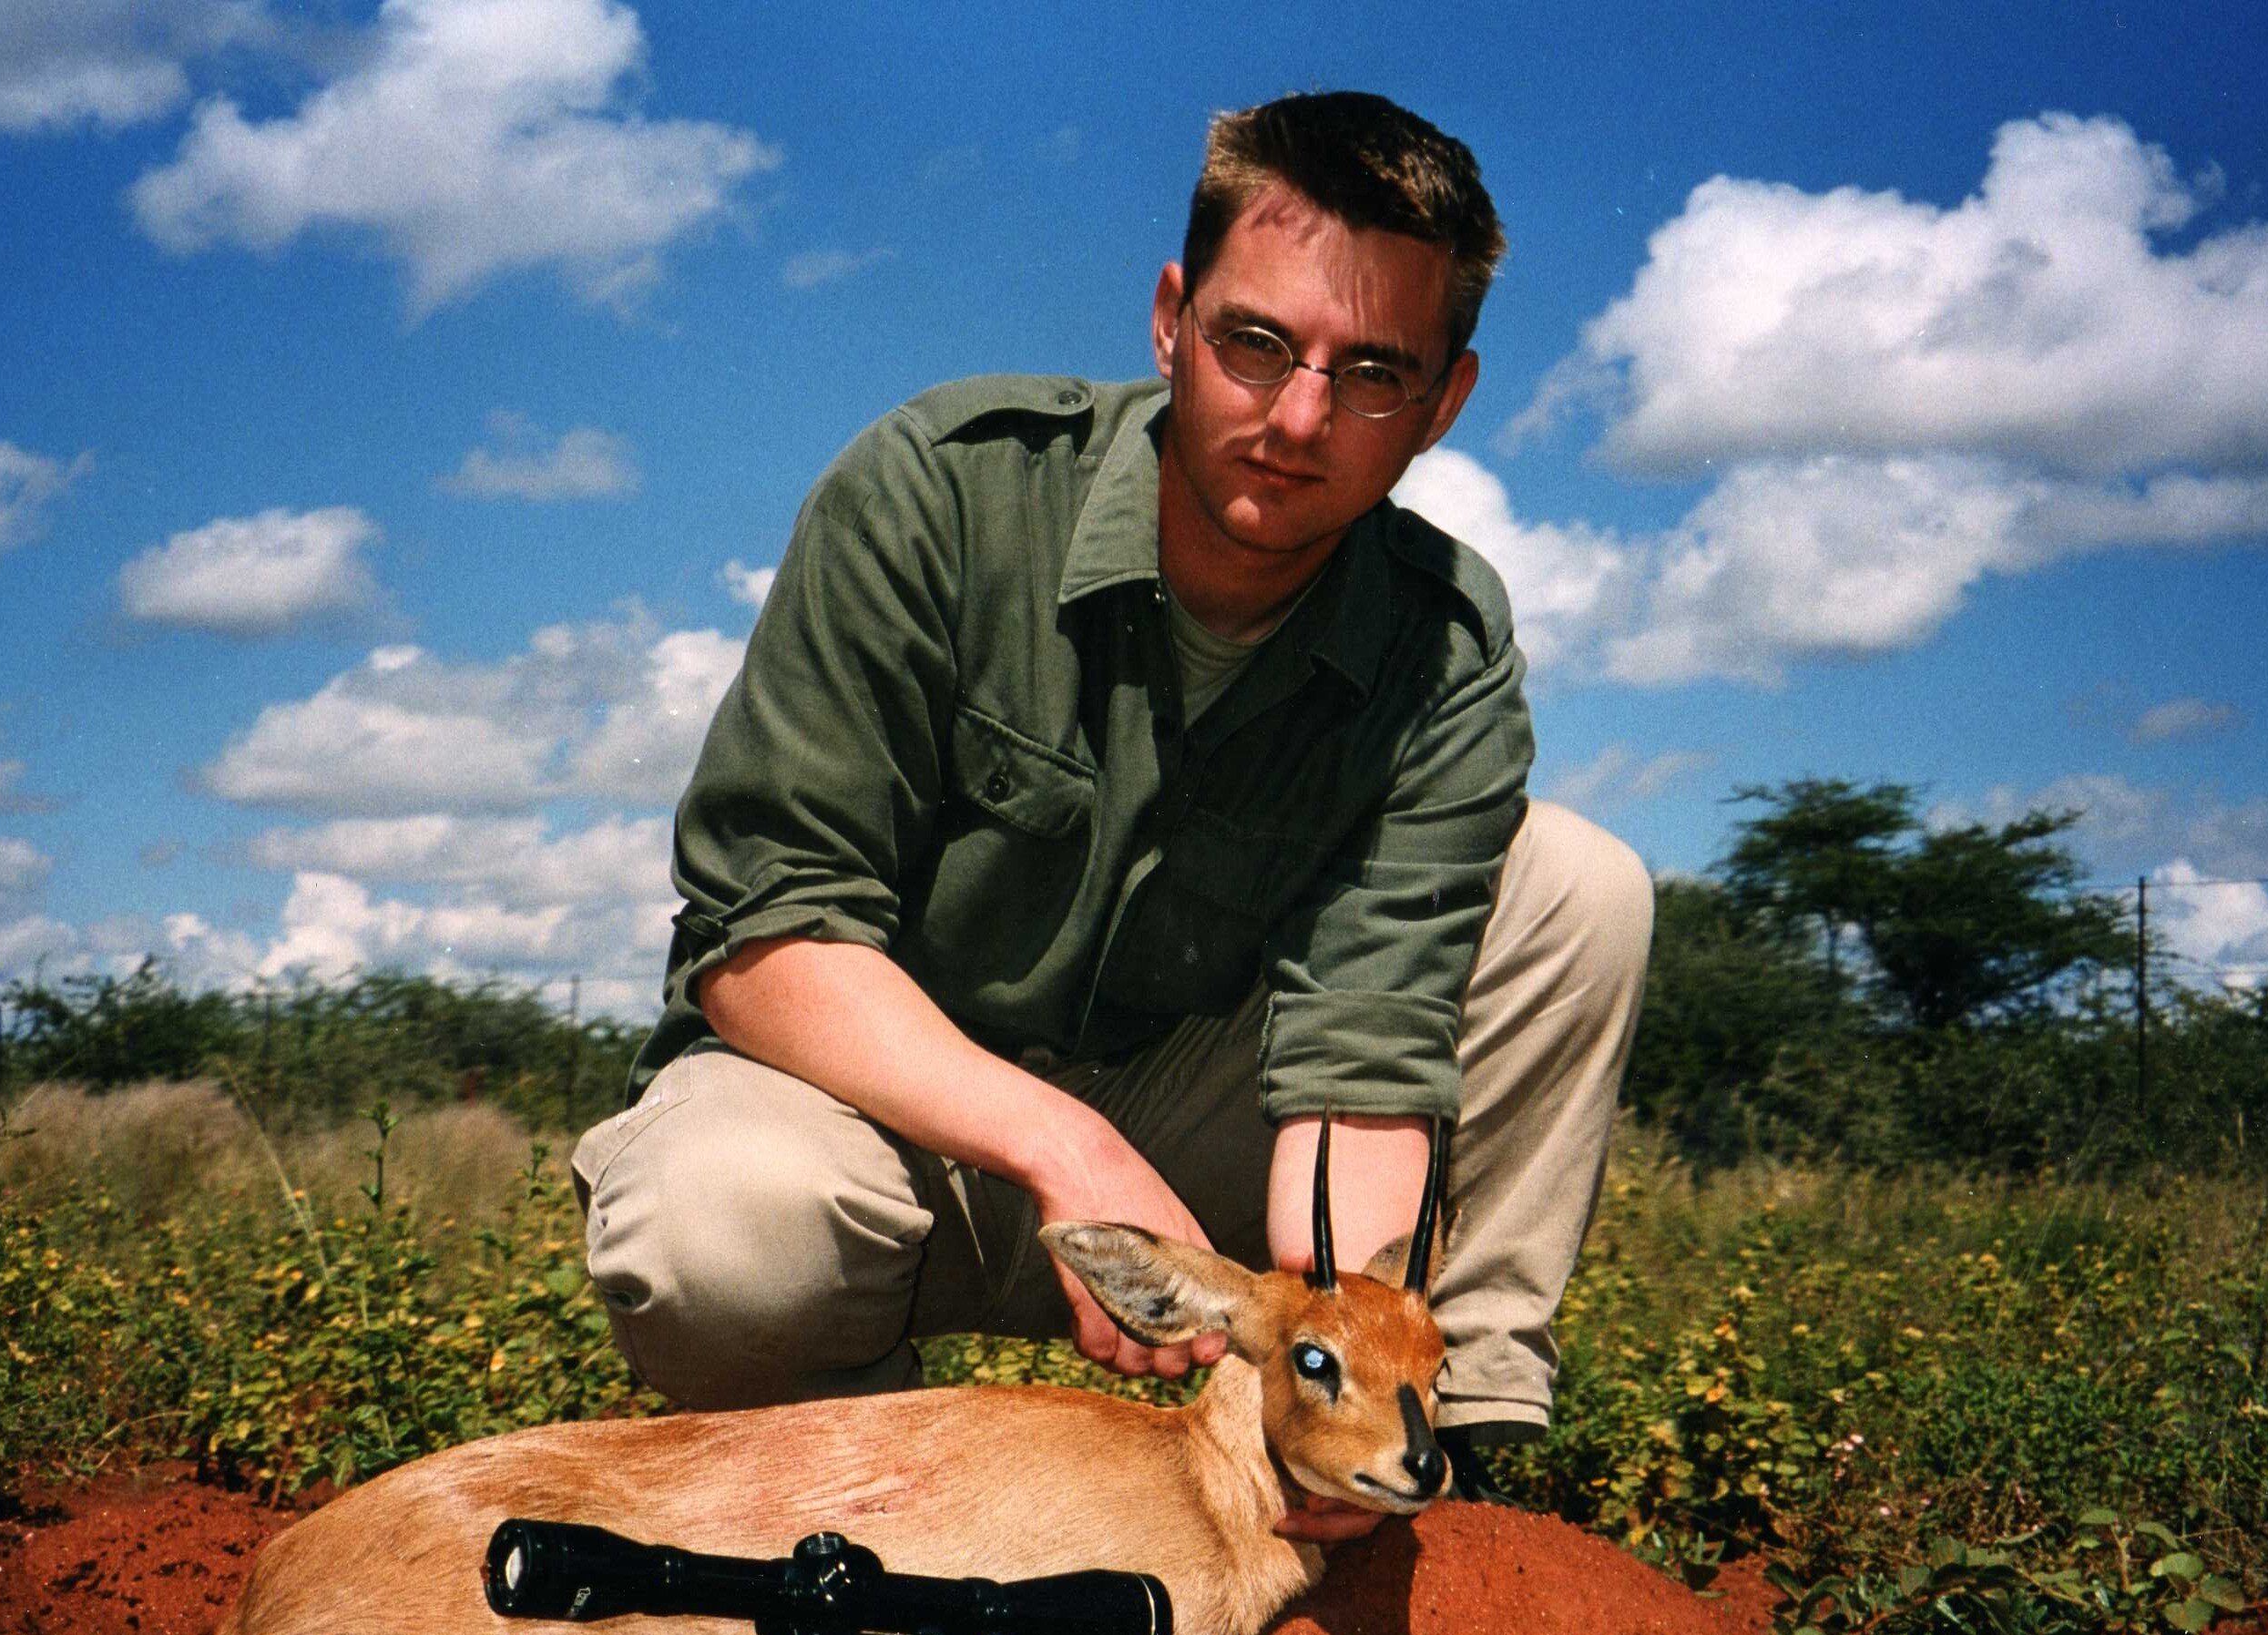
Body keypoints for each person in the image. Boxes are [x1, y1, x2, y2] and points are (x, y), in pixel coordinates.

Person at [574, 91, 1652, 1540]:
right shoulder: (942, 492)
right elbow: (765, 938)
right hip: (886, 1138)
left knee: (1577, 886)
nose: (1299, 416)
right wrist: (1066, 1155)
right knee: (717, 1225)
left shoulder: (1445, 640)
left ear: (1446, 401)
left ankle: (1437, 1466)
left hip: (1208, 1172)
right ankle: (847, 1517)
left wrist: (1336, 1340)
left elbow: (1366, 1054)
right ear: (1170, 320)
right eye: (1255, 344)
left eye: (1374, 375)